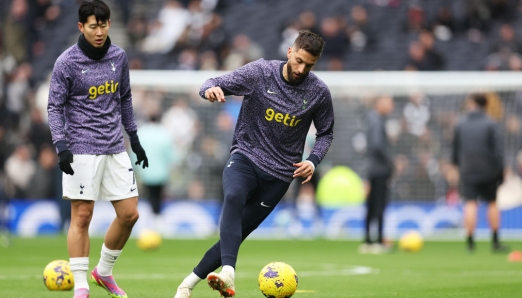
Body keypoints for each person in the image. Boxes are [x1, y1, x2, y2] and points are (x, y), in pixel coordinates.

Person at [174, 30, 334, 298]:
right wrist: (210, 90)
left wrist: (314, 160)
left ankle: (187, 285)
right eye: (299, 61)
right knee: (234, 196)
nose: (302, 69)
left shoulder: (318, 92)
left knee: (240, 230)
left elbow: (326, 132)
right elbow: (211, 82)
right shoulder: (260, 73)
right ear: (290, 52)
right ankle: (229, 272)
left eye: (309, 65)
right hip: (245, 157)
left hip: (281, 175)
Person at [47, 1, 149, 298]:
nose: (100, 31)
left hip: (115, 147)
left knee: (130, 214)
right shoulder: (66, 62)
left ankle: (103, 273)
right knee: (82, 216)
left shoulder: (119, 56)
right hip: (80, 148)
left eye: (104, 25)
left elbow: (125, 99)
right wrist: (61, 145)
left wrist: (135, 138)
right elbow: (54, 107)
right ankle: (80, 287)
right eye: (93, 26)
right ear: (81, 27)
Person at [452, 93, 508, 253]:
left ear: (472, 103)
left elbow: (455, 149)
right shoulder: (491, 123)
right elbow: (498, 151)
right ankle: (495, 241)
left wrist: (457, 165)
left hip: (467, 170)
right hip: (488, 171)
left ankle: (470, 243)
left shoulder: (461, 123)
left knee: (470, 203)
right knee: (492, 202)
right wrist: (501, 169)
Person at [359, 95, 394, 254]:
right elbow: (377, 145)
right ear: (380, 103)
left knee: (372, 204)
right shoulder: (376, 120)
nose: (391, 106)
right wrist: (390, 161)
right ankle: (378, 241)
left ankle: (368, 240)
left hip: (372, 168)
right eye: (389, 102)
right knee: (378, 204)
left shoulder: (373, 119)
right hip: (379, 169)